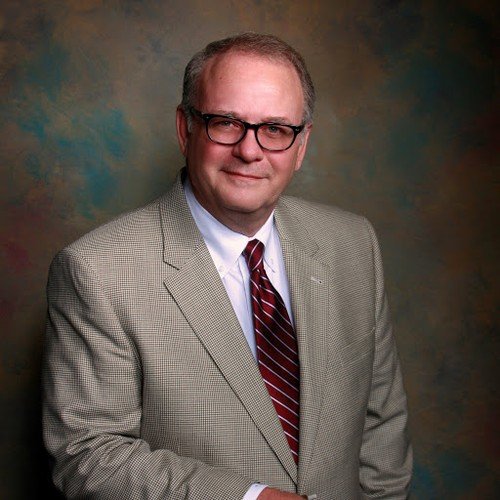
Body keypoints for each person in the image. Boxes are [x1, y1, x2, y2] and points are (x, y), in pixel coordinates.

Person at [42, 32, 412, 499]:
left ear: (301, 146)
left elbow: (381, 426)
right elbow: (88, 456)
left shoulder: (352, 244)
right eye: (226, 122)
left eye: (275, 129)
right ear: (186, 129)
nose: (250, 151)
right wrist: (251, 498)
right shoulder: (96, 271)